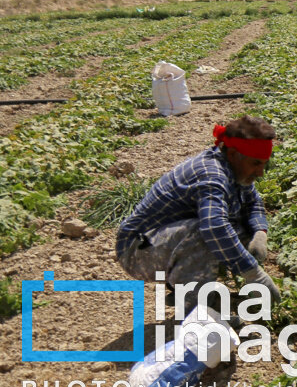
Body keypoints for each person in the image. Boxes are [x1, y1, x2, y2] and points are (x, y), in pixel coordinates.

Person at [116, 116, 281, 316]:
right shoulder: (211, 175)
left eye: (264, 164)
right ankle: (196, 314)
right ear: (233, 154)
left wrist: (259, 232)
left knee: (240, 230)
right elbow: (214, 228)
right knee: (207, 233)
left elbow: (252, 202)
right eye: (256, 164)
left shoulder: (235, 169)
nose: (260, 172)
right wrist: (252, 273)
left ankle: (190, 290)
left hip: (166, 242)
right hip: (137, 251)